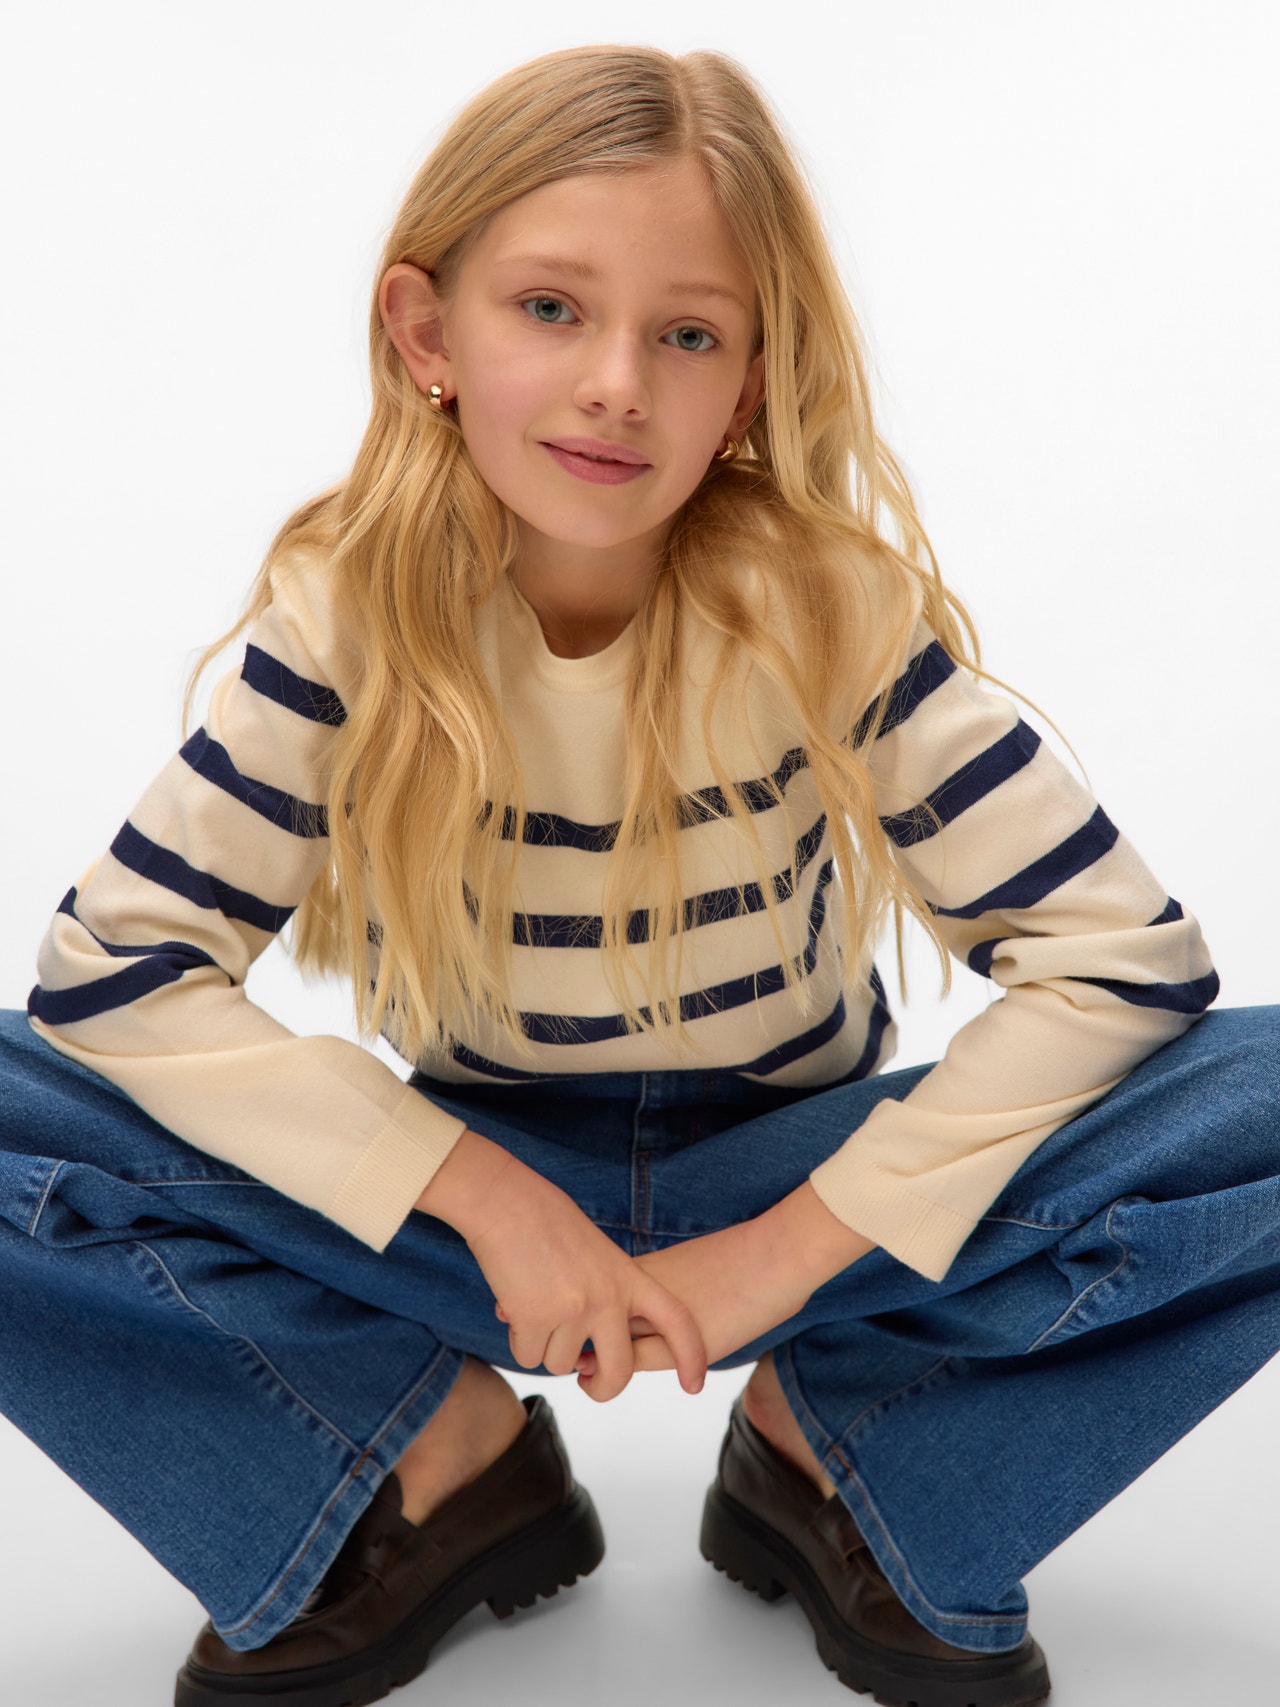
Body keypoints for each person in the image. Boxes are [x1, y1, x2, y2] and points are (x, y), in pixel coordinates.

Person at [1, 40, 1276, 1707]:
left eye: (686, 335)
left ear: (746, 388)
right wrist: (489, 1200)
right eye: (551, 309)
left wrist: (782, 1253)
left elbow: (1123, 960)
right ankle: (412, 1464)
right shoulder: (347, 621)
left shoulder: (823, 609)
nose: (617, 383)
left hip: (793, 1175)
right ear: (426, 334)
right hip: (476, 1188)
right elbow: (115, 977)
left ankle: (859, 1456)